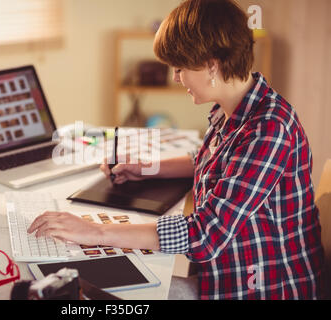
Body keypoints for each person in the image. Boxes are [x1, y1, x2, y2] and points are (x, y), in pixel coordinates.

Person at [28, 0, 324, 299]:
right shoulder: (235, 109)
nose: (175, 77)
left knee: (105, 292)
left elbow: (205, 234)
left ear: (212, 64)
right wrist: (147, 168)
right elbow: (210, 160)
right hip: (222, 271)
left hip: (261, 287)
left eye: (180, 67)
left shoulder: (269, 128)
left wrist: (95, 232)